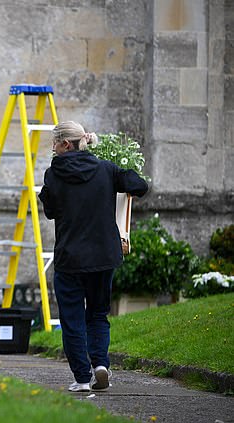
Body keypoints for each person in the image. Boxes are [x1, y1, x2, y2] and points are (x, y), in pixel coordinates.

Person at [38, 121, 149, 392]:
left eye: (54, 142)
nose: (52, 148)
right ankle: (101, 365)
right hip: (103, 255)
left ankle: (81, 378)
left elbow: (50, 211)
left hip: (70, 258)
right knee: (98, 314)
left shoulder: (53, 175)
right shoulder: (106, 169)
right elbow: (139, 185)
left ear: (65, 144)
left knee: (72, 318)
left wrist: (46, 195)